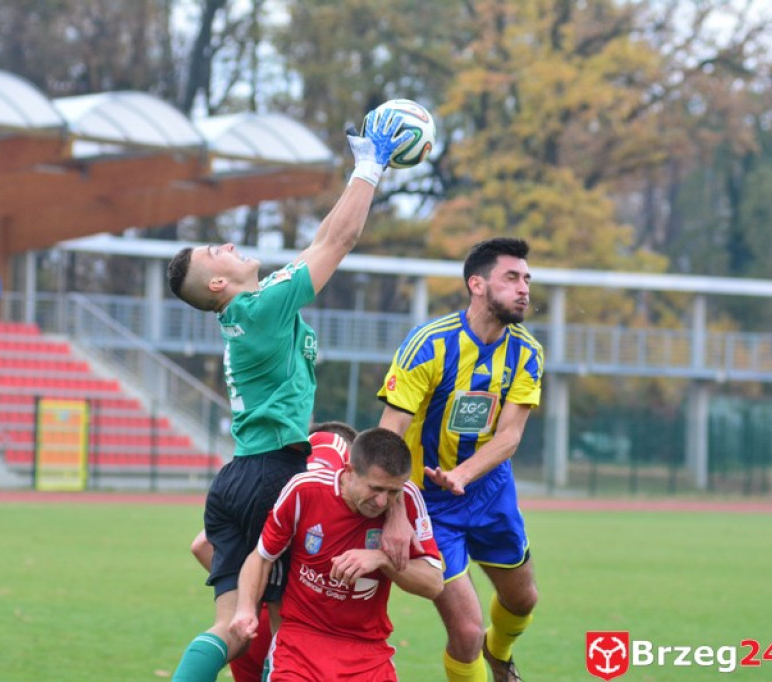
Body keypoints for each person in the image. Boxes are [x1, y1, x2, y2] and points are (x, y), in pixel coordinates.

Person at [167, 110, 415, 682]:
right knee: (294, 632)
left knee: (231, 628)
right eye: (216, 252)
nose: (229, 243)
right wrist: (371, 167)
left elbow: (319, 242)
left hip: (235, 480)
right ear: (218, 285)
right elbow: (340, 239)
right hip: (274, 474)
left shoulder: (254, 309)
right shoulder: (261, 308)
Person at [377, 237, 543, 682]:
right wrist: (395, 514)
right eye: (512, 277)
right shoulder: (428, 345)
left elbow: (509, 436)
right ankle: (480, 653)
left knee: (523, 600)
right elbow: (388, 436)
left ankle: (500, 653)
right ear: (477, 284)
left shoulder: (527, 352)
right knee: (466, 631)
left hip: (489, 491)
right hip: (428, 504)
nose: (524, 288)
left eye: (527, 278)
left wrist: (463, 474)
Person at [229, 427, 443, 681]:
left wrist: (382, 559)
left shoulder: (407, 499)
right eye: (375, 489)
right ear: (349, 470)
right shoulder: (304, 491)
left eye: (392, 491)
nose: (382, 502)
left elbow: (433, 584)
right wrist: (244, 609)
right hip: (301, 644)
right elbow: (262, 557)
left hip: (368, 651)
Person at [188, 422, 358, 682]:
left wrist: (253, 588)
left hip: (248, 624)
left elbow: (201, 545)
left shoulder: (285, 467)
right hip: (299, 629)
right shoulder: (332, 462)